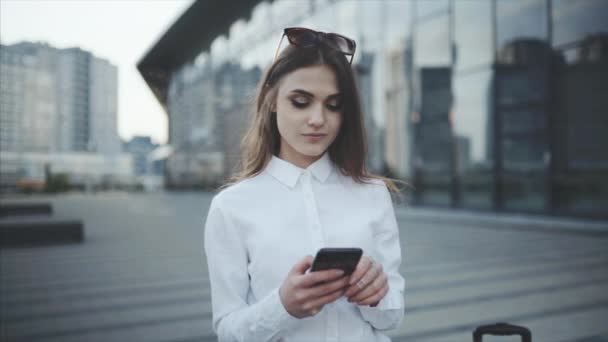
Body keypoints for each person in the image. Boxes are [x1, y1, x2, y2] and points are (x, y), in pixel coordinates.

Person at [204, 27, 405, 342]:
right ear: (271, 100)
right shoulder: (231, 207)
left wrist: (376, 295)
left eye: (334, 105)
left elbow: (391, 318)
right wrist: (282, 306)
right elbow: (228, 330)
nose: (318, 119)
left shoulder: (373, 194)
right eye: (301, 101)